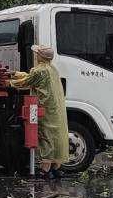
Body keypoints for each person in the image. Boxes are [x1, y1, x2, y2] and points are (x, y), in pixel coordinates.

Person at [7, 44, 68, 179]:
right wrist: (15, 74)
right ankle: (55, 168)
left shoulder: (39, 70)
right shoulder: (52, 69)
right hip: (56, 109)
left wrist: (10, 83)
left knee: (45, 136)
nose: (35, 55)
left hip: (44, 108)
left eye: (37, 54)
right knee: (56, 136)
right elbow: (30, 76)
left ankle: (44, 170)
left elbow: (27, 81)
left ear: (41, 56)